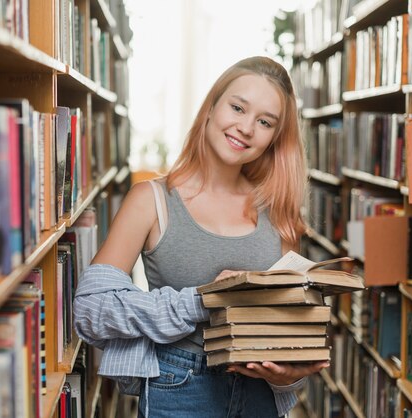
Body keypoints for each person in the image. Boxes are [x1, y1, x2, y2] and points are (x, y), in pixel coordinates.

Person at [73, 56, 329, 418]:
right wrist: (202, 300)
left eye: (264, 122)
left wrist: (288, 376)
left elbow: (287, 333)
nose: (246, 128)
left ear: (274, 137)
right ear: (210, 107)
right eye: (237, 107)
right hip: (178, 388)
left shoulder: (280, 213)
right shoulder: (151, 200)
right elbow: (91, 310)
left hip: (259, 397)